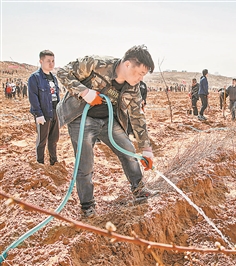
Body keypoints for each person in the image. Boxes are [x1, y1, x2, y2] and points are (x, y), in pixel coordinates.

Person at [56, 45, 157, 218]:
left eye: (143, 75)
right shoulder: (97, 64)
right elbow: (63, 72)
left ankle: (139, 190)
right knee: (85, 164)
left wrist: (146, 148)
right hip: (82, 117)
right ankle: (87, 205)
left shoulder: (134, 87)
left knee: (128, 151)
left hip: (108, 120)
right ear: (127, 64)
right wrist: (84, 92)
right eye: (139, 72)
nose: (141, 78)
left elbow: (137, 116)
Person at [28, 50, 60, 166]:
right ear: (41, 61)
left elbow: (56, 96)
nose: (51, 64)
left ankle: (54, 162)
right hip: (43, 113)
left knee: (53, 139)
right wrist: (38, 114)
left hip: (55, 112)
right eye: (48, 61)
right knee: (42, 141)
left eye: (53, 61)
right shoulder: (35, 78)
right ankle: (40, 163)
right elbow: (33, 97)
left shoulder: (54, 78)